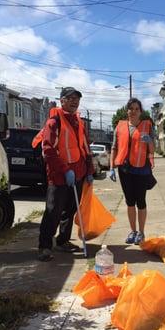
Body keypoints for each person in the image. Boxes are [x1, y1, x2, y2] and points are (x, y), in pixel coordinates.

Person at [36, 87, 94, 261]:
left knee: (69, 210)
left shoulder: (78, 121)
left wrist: (89, 171)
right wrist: (65, 169)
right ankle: (45, 246)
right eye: (70, 98)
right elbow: (48, 150)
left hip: (77, 174)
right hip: (60, 176)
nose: (74, 101)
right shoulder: (55, 121)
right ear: (62, 100)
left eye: (76, 99)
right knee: (53, 211)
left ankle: (63, 241)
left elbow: (85, 148)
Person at [109, 98, 155, 245]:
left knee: (140, 201)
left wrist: (149, 141)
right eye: (131, 108)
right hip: (124, 169)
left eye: (136, 109)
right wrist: (111, 167)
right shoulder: (120, 126)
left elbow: (152, 150)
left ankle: (141, 232)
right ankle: (133, 231)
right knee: (129, 202)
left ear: (141, 111)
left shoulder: (147, 126)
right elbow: (114, 148)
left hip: (141, 169)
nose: (133, 111)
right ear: (127, 110)